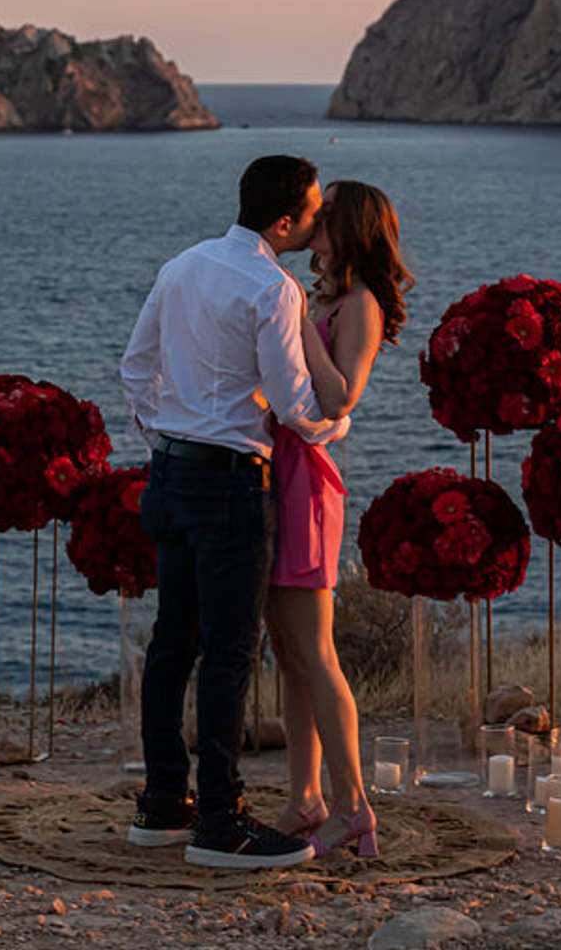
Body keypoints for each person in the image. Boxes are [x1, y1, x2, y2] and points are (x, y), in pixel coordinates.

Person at [118, 155, 348, 869]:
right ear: (284, 222)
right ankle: (220, 820)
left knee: (172, 642)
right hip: (230, 483)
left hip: (170, 472)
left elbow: (135, 366)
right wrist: (335, 425)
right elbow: (293, 402)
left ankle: (163, 802)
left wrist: (167, 433)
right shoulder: (273, 288)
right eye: (313, 212)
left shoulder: (182, 265)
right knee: (229, 652)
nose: (318, 222)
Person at [267, 181, 413, 859]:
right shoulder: (321, 296)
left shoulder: (360, 305)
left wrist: (299, 325)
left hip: (306, 482)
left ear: (350, 228)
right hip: (276, 468)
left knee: (316, 651)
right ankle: (305, 798)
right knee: (289, 653)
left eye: (325, 217)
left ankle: (354, 807)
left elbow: (341, 396)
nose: (313, 225)